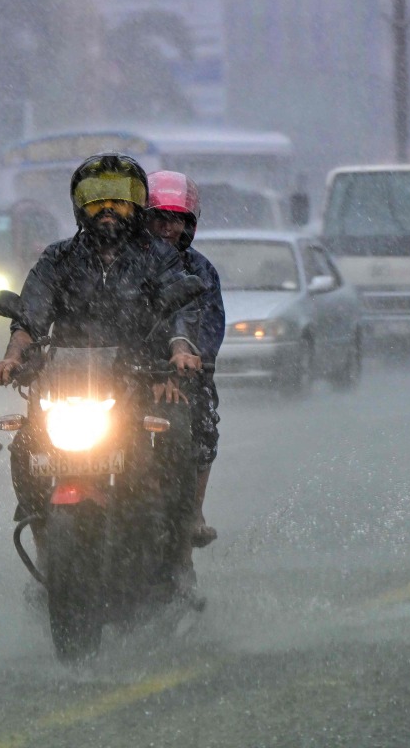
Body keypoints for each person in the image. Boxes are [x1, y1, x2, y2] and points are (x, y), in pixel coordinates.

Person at [0, 153, 203, 594]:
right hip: (66, 386)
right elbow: (29, 318)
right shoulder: (58, 259)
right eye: (97, 201)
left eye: (121, 201)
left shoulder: (159, 258)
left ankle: (176, 554)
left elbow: (180, 312)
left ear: (137, 206)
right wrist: (13, 359)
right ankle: (44, 538)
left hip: (139, 380)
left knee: (179, 434)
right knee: (24, 446)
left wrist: (180, 351)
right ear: (78, 206)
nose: (109, 210)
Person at [146, 171, 224, 547]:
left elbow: (209, 328)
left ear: (188, 224)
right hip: (121, 371)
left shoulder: (201, 270)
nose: (166, 227)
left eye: (175, 219)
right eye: (159, 217)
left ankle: (193, 508)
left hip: (180, 373)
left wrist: (187, 364)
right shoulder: (125, 265)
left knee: (203, 419)